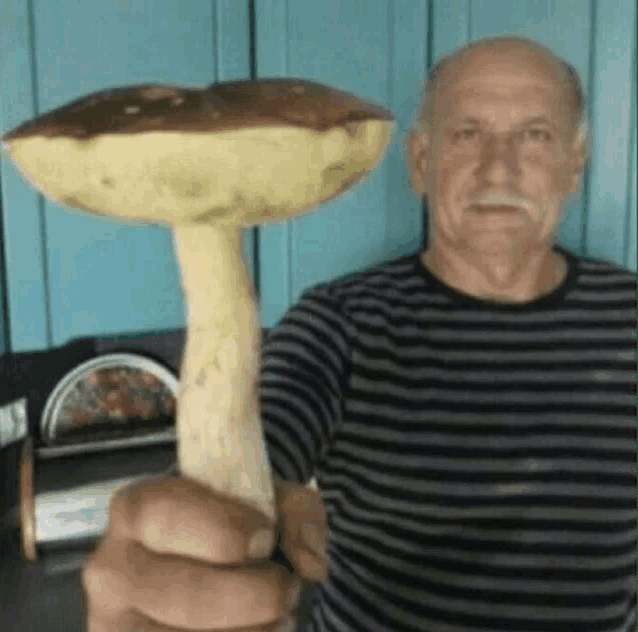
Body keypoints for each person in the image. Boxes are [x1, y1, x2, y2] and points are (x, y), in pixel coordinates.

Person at [81, 34, 637, 632]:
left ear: (574, 165)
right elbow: (256, 447)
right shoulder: (338, 322)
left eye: (535, 136)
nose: (497, 167)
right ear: (421, 162)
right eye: (466, 134)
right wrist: (185, 549)